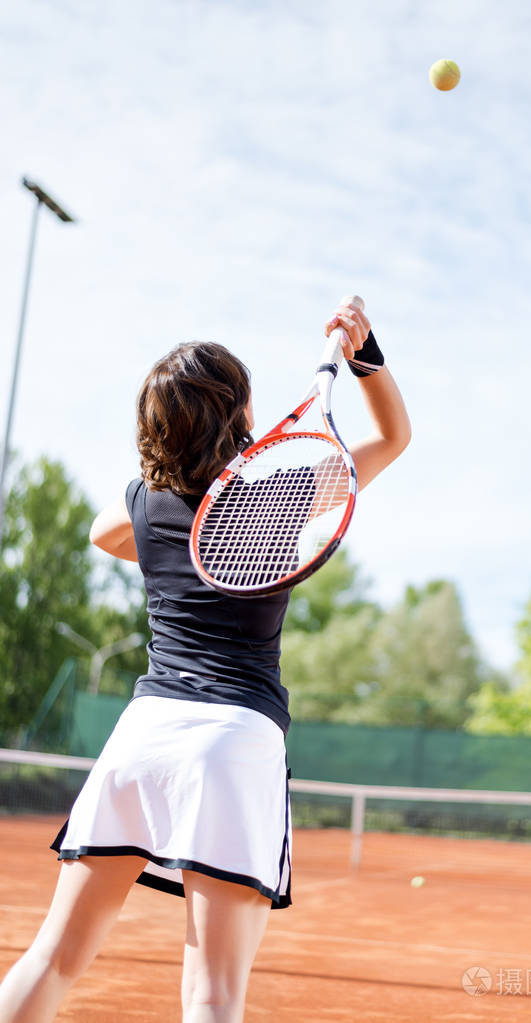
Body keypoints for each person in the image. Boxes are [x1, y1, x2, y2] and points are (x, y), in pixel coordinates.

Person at [0, 296, 410, 1023]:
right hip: (233, 741)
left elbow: (104, 534)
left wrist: (182, 491)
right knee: (213, 995)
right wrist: (363, 350)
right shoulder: (281, 497)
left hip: (142, 734)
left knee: (52, 958)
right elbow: (392, 435)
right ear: (240, 413)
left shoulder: (145, 503)